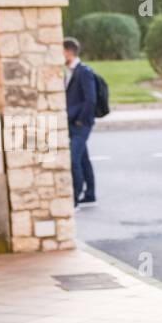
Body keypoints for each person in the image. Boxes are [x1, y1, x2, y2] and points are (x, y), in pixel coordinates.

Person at [63, 37, 97, 207]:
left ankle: (75, 197)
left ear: (68, 52)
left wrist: (80, 120)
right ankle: (90, 194)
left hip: (80, 124)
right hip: (73, 122)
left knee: (73, 159)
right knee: (83, 159)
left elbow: (91, 99)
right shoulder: (70, 71)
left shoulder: (83, 72)